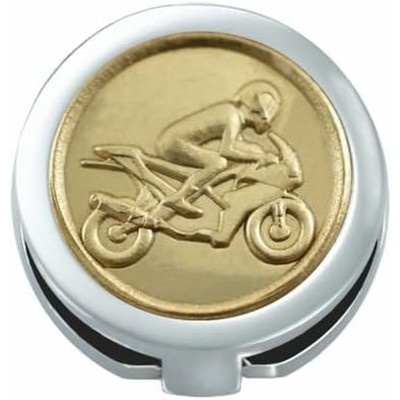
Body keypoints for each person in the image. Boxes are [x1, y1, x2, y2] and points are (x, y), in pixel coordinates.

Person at [156, 80, 281, 218]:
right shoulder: (233, 118)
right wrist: (260, 157)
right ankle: (178, 198)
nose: (267, 125)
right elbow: (227, 151)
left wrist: (257, 154)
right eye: (266, 120)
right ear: (259, 113)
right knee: (218, 163)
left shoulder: (231, 112)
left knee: (230, 157)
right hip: (173, 144)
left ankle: (198, 186)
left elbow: (239, 145)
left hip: (173, 141)